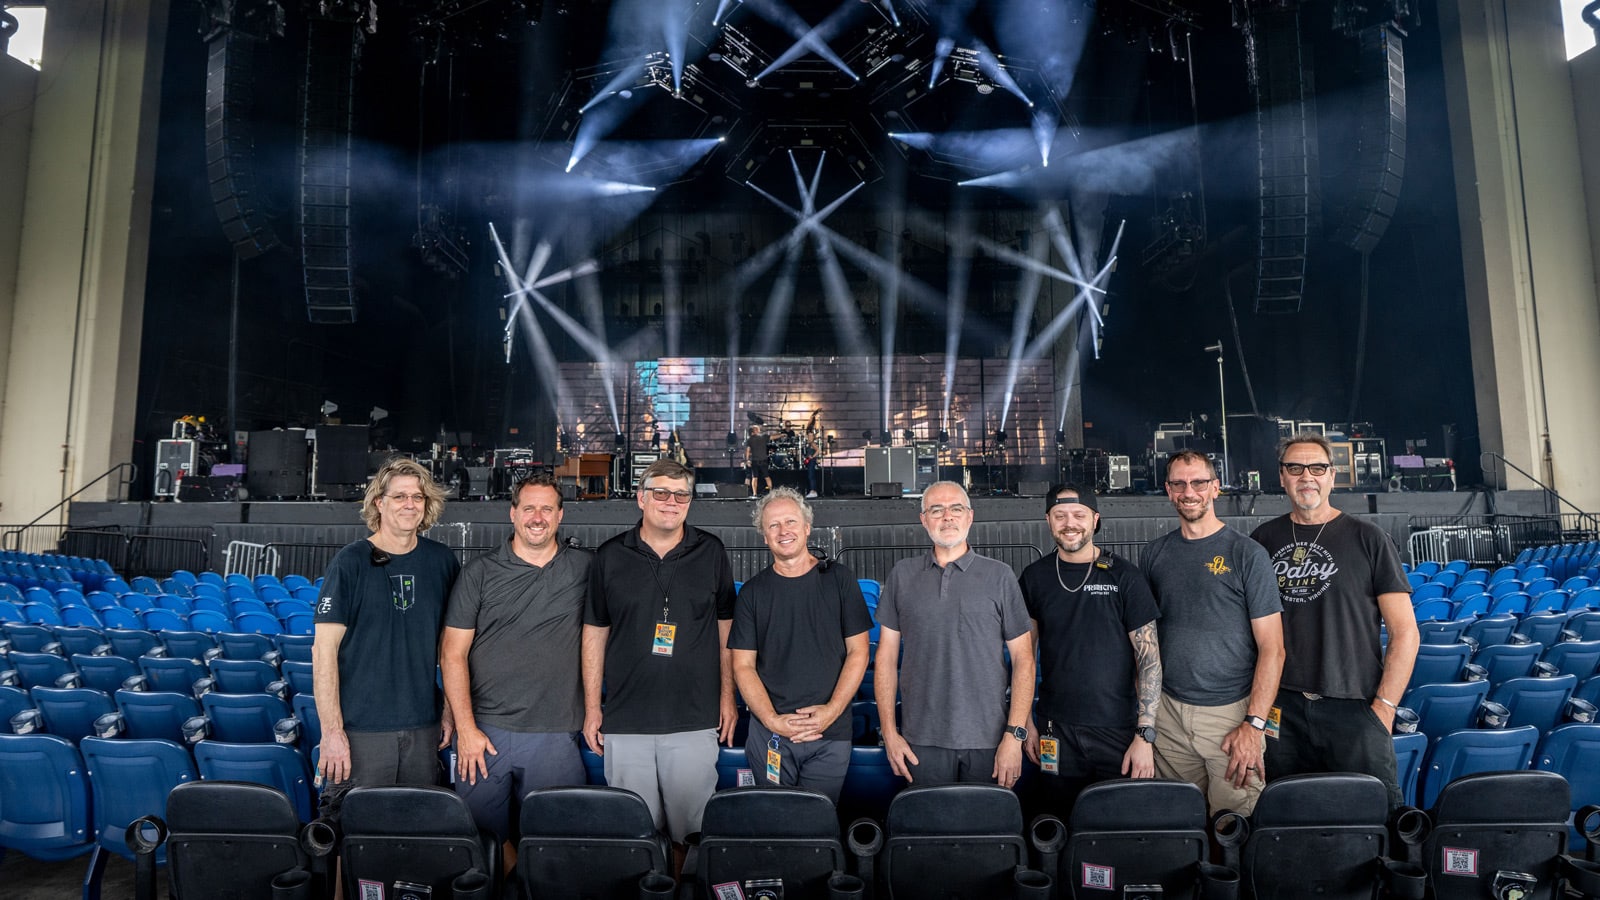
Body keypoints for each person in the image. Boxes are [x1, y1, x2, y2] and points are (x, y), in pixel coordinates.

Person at [582, 459, 738, 873]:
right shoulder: (610, 556)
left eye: (681, 494)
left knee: (692, 835)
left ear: (690, 502)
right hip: (626, 720)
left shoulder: (712, 552)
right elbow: (594, 633)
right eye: (661, 493)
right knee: (636, 837)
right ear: (641, 497)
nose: (671, 502)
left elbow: (727, 631)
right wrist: (594, 707)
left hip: (693, 717)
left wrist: (728, 697)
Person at [1250, 433, 1418, 809]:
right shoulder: (1263, 540)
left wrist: (1385, 708)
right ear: (1282, 476)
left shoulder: (1368, 538)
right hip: (1284, 711)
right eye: (1295, 468)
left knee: (1372, 816)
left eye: (1317, 467)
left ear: (1332, 475)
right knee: (1289, 815)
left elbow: (1405, 632)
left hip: (1355, 708)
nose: (1306, 476)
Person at [440, 473, 589, 869]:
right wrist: (466, 729)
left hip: (556, 732)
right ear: (513, 513)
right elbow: (452, 654)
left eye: (546, 508)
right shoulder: (480, 572)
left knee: (557, 844)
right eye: (528, 508)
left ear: (560, 515)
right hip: (486, 735)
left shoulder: (586, 569)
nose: (536, 517)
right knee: (480, 847)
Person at [313, 457, 461, 812]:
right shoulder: (350, 562)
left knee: (415, 834)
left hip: (423, 728)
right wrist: (332, 732)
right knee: (353, 837)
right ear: (379, 502)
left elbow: (450, 648)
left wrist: (450, 710)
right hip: (361, 730)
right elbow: (324, 653)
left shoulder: (442, 562)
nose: (410, 504)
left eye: (418, 497)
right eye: (399, 496)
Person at [1143, 451, 1285, 815]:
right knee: (1178, 821)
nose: (1189, 491)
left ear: (1215, 488)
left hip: (1230, 716)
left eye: (1198, 482)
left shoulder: (1247, 554)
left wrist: (1253, 725)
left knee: (1232, 827)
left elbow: (1273, 649)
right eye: (1179, 483)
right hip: (1169, 714)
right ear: (1168, 490)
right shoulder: (1154, 554)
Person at [874, 481, 1035, 787]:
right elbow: (885, 658)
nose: (947, 516)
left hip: (990, 740)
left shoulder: (999, 576)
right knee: (929, 831)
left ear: (970, 516)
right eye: (936, 509)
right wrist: (890, 733)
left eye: (956, 508)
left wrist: (1014, 736)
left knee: (987, 831)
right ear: (924, 519)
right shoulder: (902, 575)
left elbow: (1024, 660)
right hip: (920, 740)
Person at [1018, 484, 1162, 816]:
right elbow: (1023, 656)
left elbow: (1150, 661)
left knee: (1117, 824)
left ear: (1095, 520)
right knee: (1060, 821)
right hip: (1056, 730)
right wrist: (1026, 722)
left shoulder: (1125, 576)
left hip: (1118, 731)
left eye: (1079, 515)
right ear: (1048, 521)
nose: (1070, 523)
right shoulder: (1034, 578)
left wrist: (1145, 735)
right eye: (1060, 515)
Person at [729, 488, 872, 801]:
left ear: (807, 527)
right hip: (770, 736)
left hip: (829, 734)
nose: (784, 531)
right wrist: (772, 721)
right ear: (764, 536)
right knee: (776, 824)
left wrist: (831, 711)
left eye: (791, 521)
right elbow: (742, 665)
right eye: (774, 525)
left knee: (816, 826)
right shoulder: (752, 594)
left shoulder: (839, 579)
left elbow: (859, 651)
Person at [746, 423, 772, 497]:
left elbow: (747, 450)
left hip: (758, 460)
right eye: (757, 429)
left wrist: (747, 460)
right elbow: (772, 437)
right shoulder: (760, 438)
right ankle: (768, 492)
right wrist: (781, 434)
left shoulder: (751, 439)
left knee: (757, 477)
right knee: (762, 477)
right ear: (754, 431)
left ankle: (756, 493)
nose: (758, 430)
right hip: (759, 460)